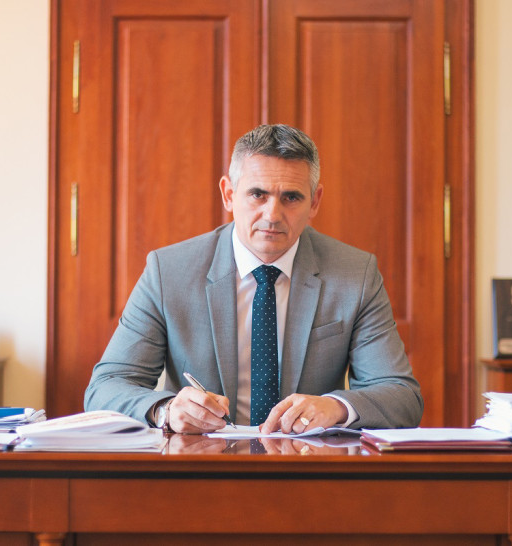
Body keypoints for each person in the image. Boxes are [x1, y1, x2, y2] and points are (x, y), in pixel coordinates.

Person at [84, 124, 423, 433]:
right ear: (229, 194)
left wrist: (336, 407)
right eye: (258, 194)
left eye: (291, 197)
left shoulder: (356, 274)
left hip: (308, 465)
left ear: (315, 201)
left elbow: (402, 396)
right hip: (200, 465)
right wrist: (167, 410)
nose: (272, 215)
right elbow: (105, 387)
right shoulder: (168, 271)